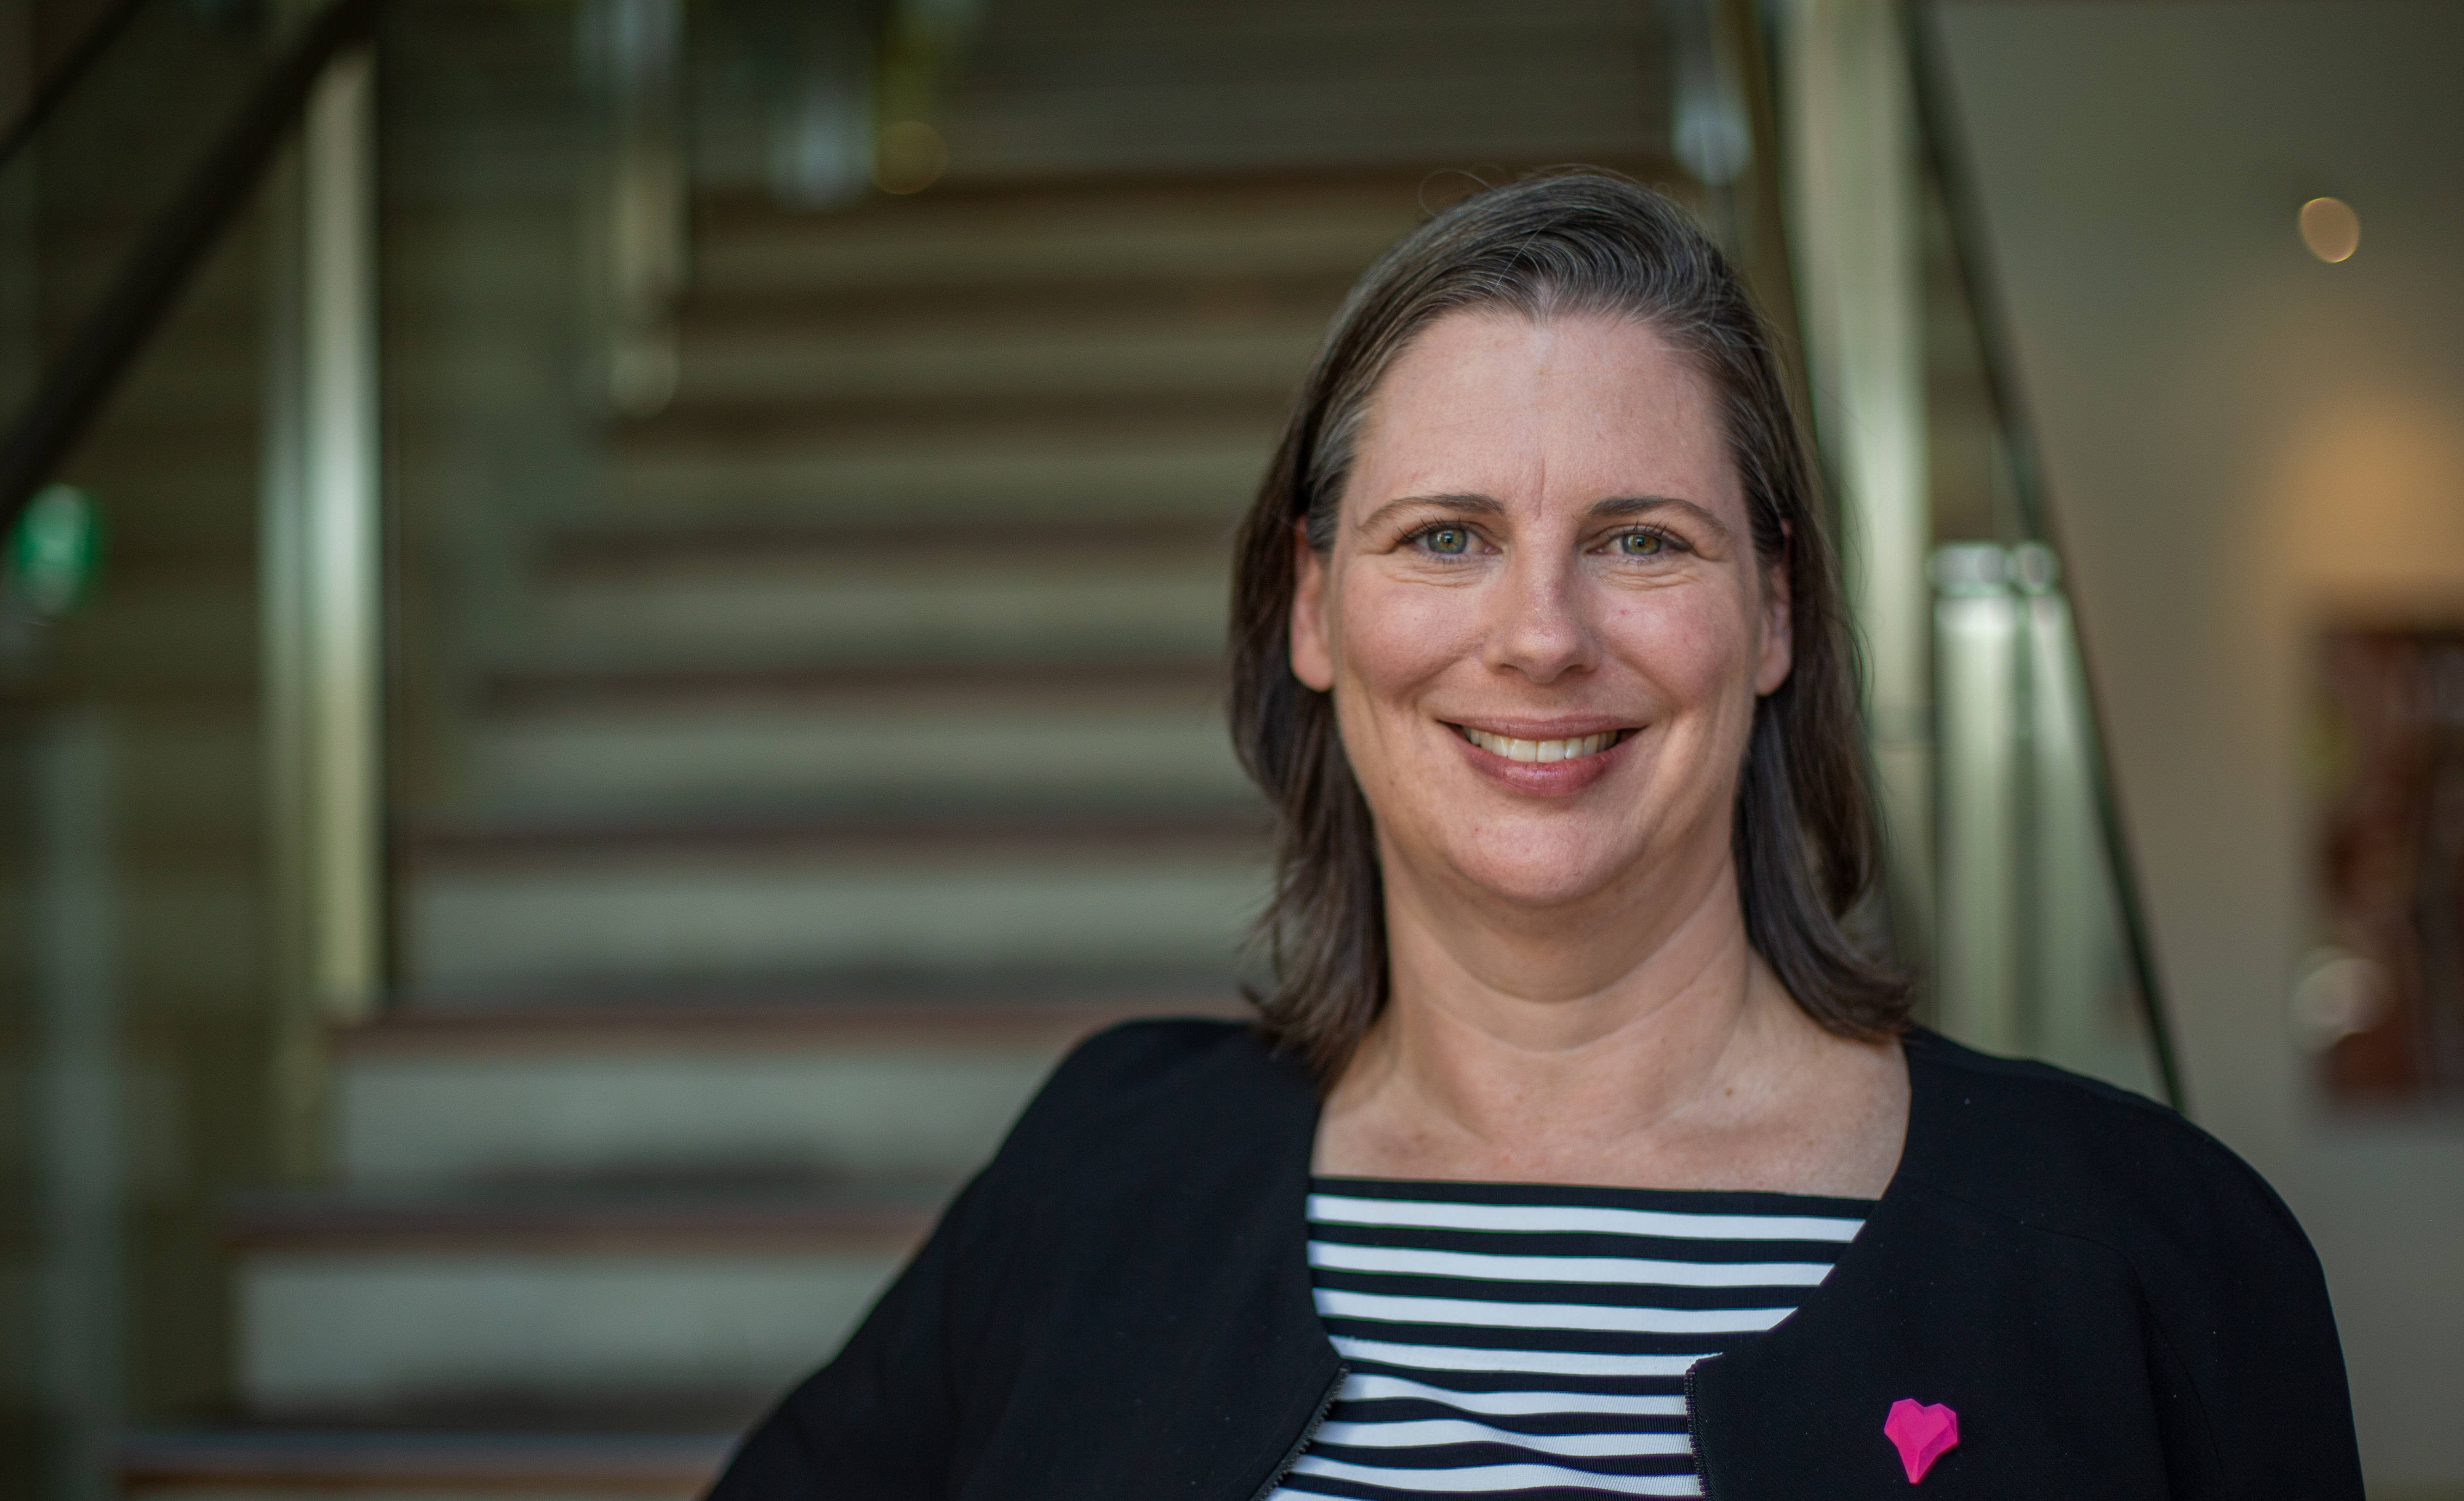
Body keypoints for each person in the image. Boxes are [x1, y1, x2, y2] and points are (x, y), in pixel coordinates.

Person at [707, 171, 2362, 1500]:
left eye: (1641, 541)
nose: (1543, 638)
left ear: (1775, 612)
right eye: (1447, 537)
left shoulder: (2148, 1251)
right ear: (1314, 608)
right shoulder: (1102, 1177)